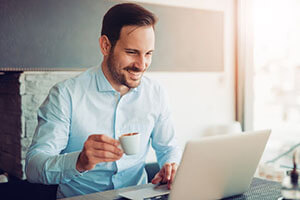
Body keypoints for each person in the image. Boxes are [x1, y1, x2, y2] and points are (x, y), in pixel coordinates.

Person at [25, 3, 182, 198]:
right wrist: (79, 161)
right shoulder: (66, 95)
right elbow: (32, 168)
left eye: (148, 53)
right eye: (132, 52)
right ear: (105, 45)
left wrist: (171, 166)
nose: (142, 65)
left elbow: (168, 148)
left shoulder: (156, 93)